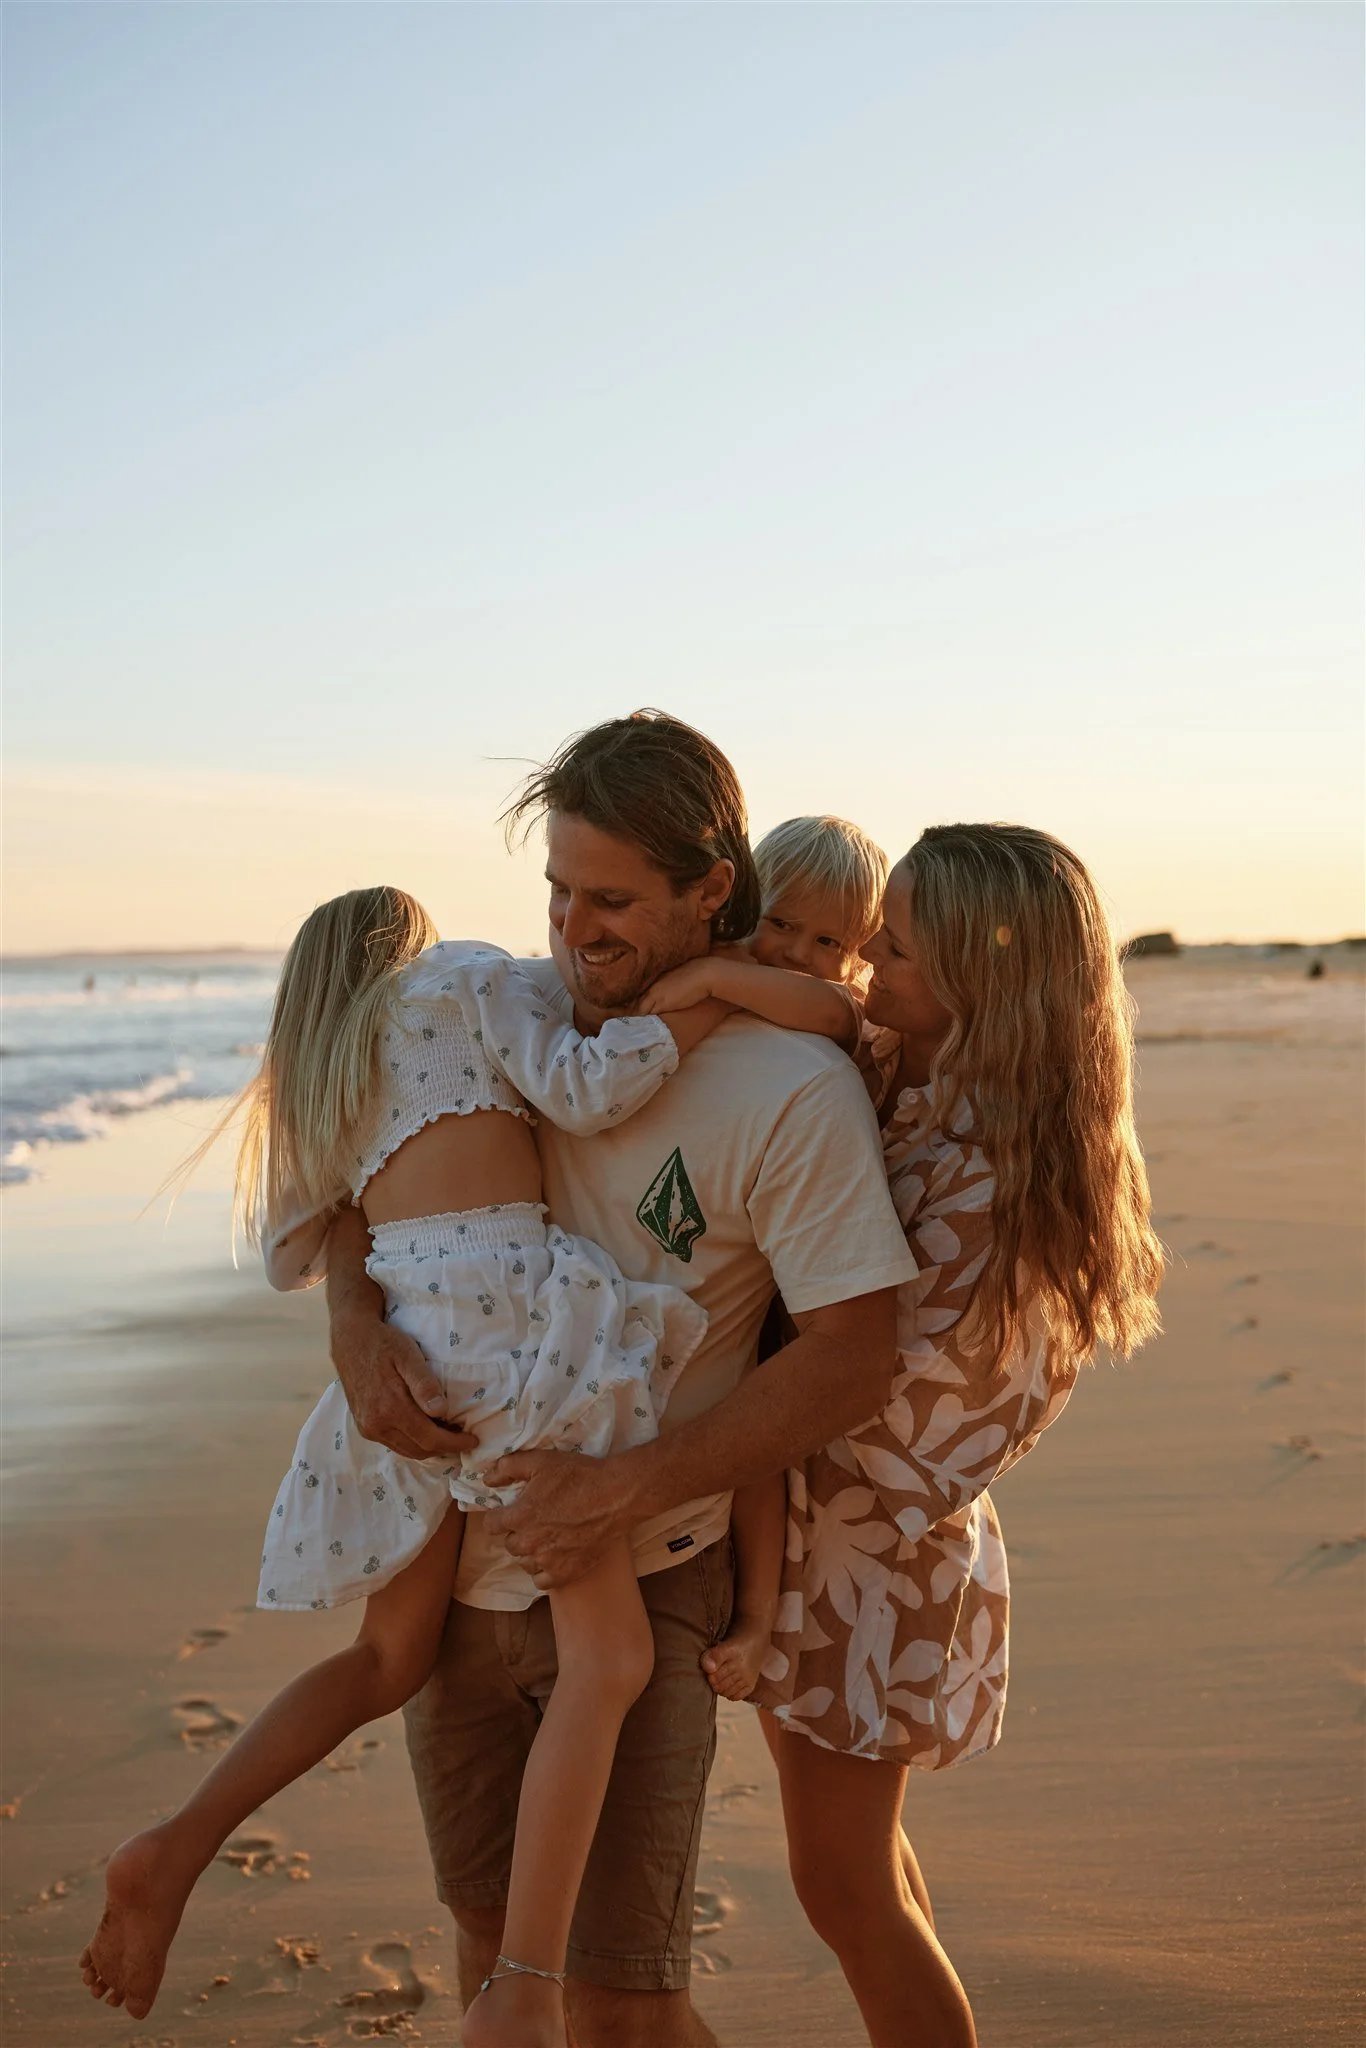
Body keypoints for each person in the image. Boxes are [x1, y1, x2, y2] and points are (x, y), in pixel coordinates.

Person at [322, 713, 918, 2048]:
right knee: (488, 1953)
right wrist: (354, 1331)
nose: (569, 929)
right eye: (554, 891)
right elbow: (384, 1207)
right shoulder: (515, 1029)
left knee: (622, 2001)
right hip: (458, 1566)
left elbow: (852, 1352)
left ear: (711, 889)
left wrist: (620, 1485)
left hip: (645, 1581)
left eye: (609, 901)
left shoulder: (792, 1087)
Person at [79, 885, 731, 2047]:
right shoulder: (472, 978)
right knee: (611, 1659)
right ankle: (525, 1983)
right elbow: (588, 1083)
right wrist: (706, 1004)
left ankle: (173, 1845)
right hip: (514, 1331)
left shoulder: (323, 1071)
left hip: (417, 1352)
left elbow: (290, 1243)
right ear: (409, 940)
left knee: (388, 1655)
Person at [746, 824, 1165, 2048]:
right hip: (833, 1545)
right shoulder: (911, 1073)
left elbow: (898, 1409)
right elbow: (811, 1006)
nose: (866, 962)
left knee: (843, 1886)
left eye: (898, 945)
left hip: (875, 1560)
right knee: (862, 1866)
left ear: (987, 979)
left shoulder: (992, 1165)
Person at [636, 812, 891, 1700]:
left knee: (755, 1451)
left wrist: (717, 973)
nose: (794, 951)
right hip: (759, 1265)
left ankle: (753, 1618)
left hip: (815, 1272)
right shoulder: (746, 984)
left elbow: (821, 1008)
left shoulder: (828, 1010)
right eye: (779, 922)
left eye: (829, 940)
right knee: (742, 1436)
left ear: (858, 955)